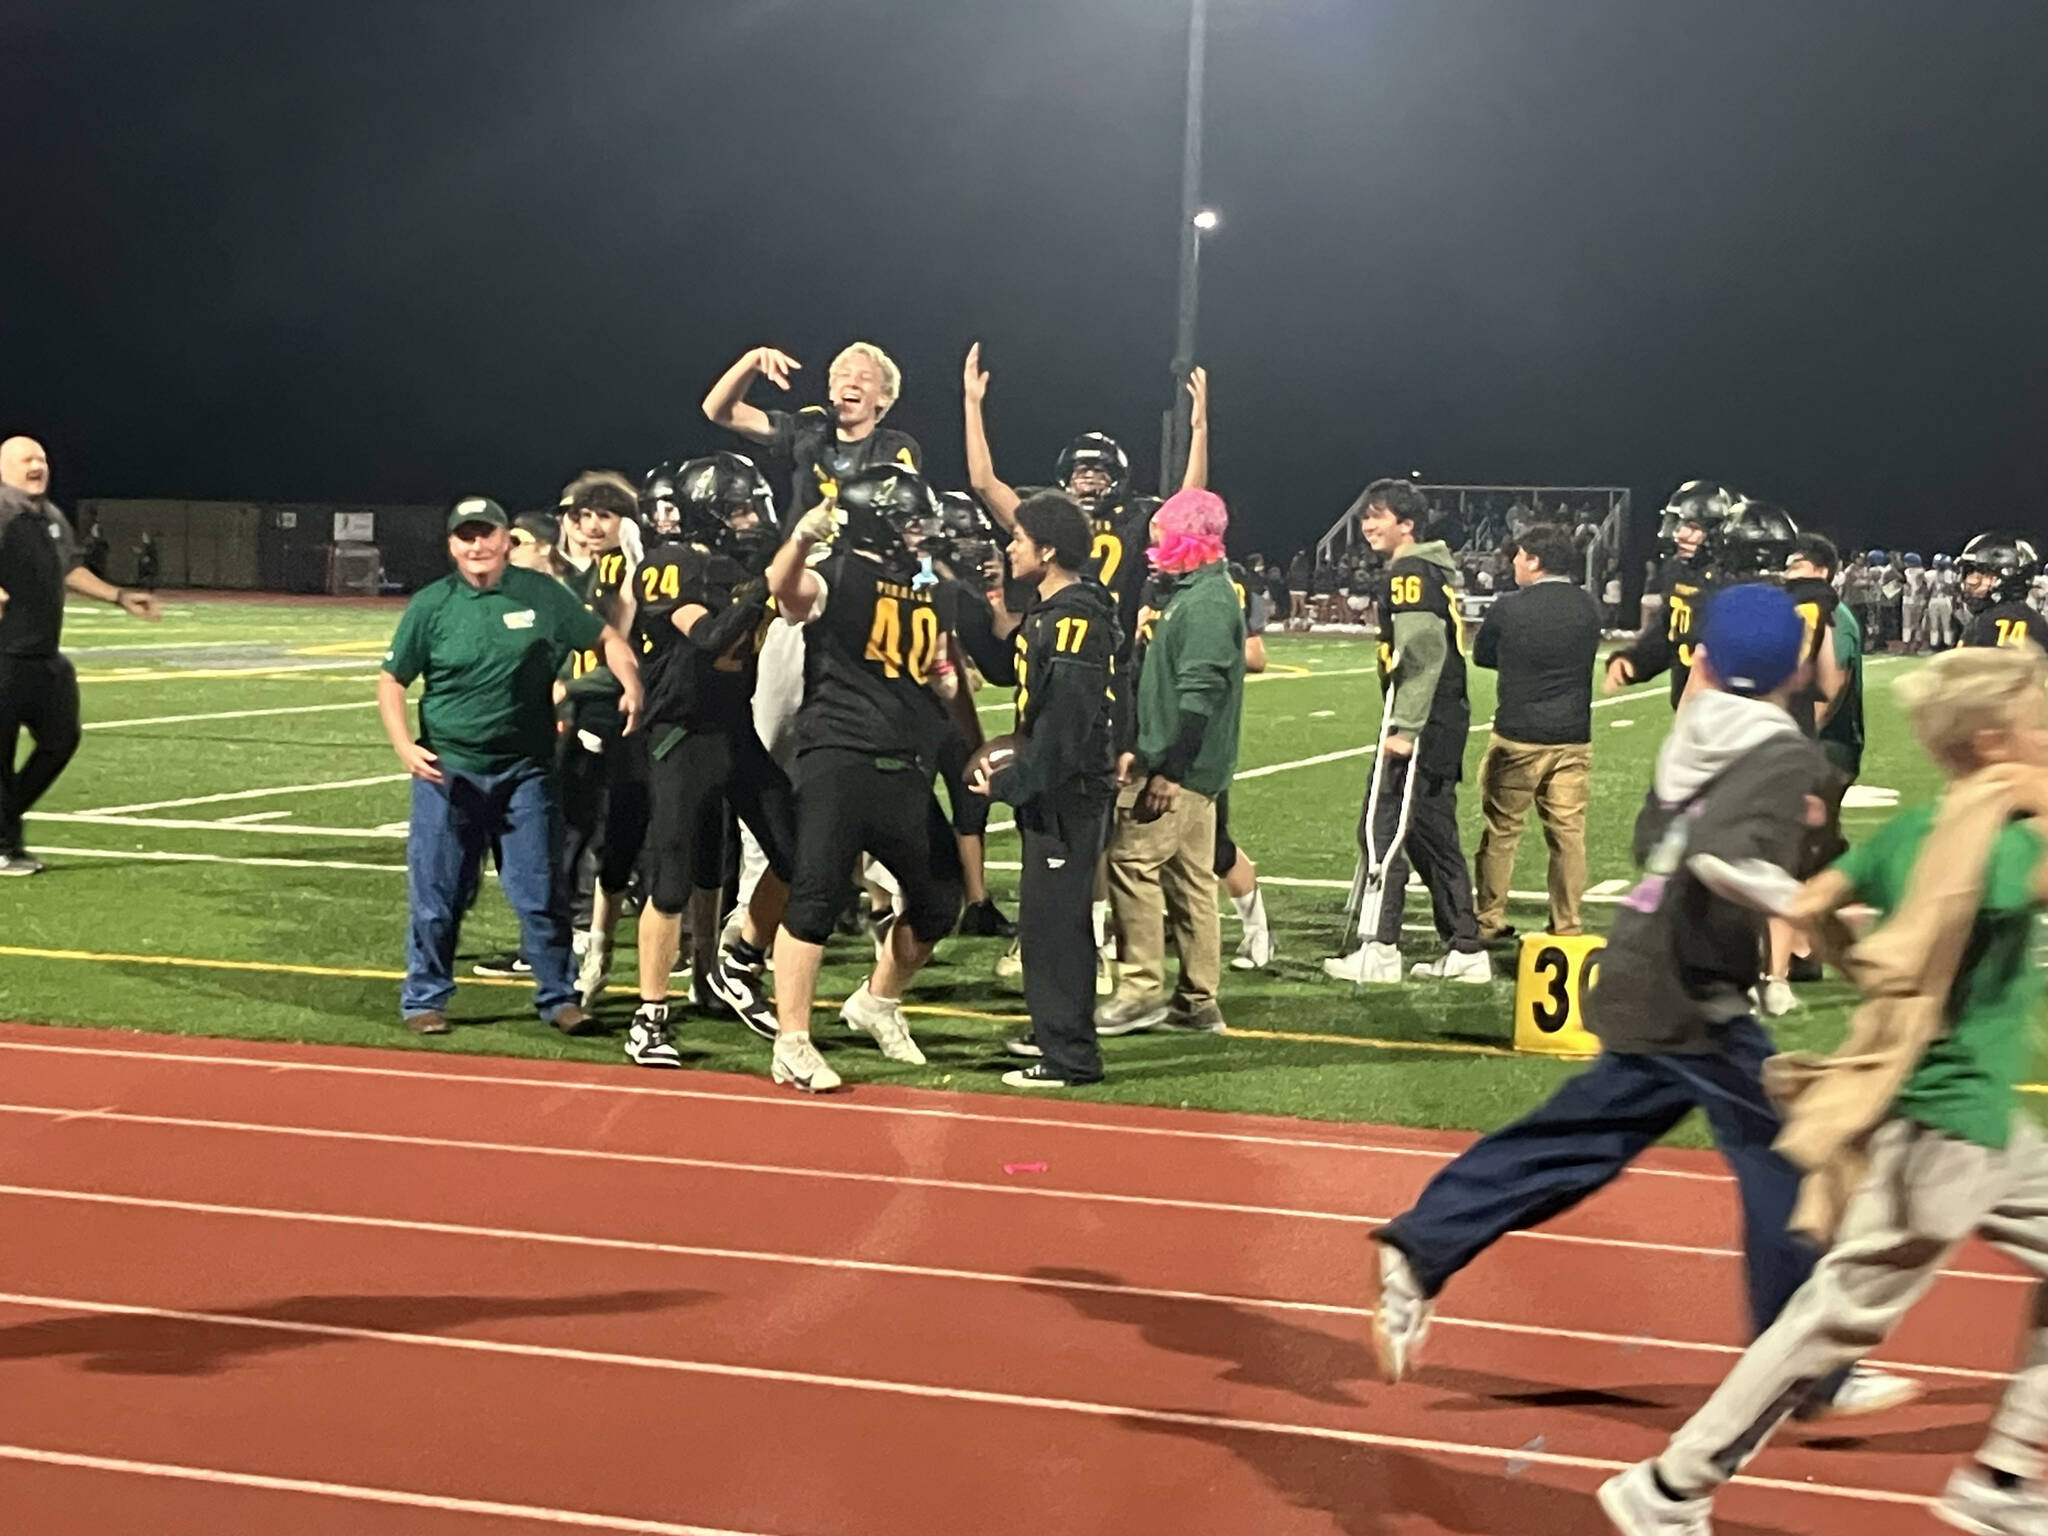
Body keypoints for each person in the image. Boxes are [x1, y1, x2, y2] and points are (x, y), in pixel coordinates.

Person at [1371, 585, 1917, 1418]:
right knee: (1784, 1152)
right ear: (1795, 661)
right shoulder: (1779, 748)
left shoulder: (1699, 724)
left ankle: (1421, 1246)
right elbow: (1719, 858)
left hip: (1646, 961)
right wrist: (1814, 908)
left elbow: (1662, 837)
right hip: (1690, 986)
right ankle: (1809, 1367)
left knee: (1581, 1139)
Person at [1599, 643, 2048, 1536]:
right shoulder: (1999, 848)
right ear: (1995, 742)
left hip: (1982, 1124)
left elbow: (1814, 902)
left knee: (1830, 1317)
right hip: (1948, 1127)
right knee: (1831, 1321)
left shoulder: (1919, 831)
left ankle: (2004, 1476)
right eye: (2041, 722)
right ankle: (1671, 1485)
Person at [377, 496, 643, 1037]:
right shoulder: (432, 604)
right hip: (448, 771)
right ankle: (425, 998)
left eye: (487, 534)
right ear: (452, 546)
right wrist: (404, 745)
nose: (477, 545)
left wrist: (631, 682)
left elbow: (605, 638)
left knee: (540, 893)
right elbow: (392, 679)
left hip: (526, 770)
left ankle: (559, 998)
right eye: (466, 536)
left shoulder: (541, 593)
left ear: (505, 540)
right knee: (438, 896)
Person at [762, 465, 968, 1091]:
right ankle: (792, 1042)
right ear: (879, 523)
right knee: (816, 897)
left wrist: (942, 678)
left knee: (940, 898)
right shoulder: (840, 571)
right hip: (840, 754)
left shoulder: (930, 585)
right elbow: (786, 595)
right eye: (911, 522)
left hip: (905, 760)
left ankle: (877, 1000)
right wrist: (800, 540)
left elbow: (934, 658)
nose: (922, 533)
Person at [624, 454, 795, 1066]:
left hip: (734, 729)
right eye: (742, 508)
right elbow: (708, 638)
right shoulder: (669, 563)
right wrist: (763, 586)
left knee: (799, 851)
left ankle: (741, 960)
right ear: (710, 514)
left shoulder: (740, 564)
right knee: (670, 883)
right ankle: (649, 1017)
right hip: (681, 734)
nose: (754, 519)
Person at [971, 491, 1120, 1087]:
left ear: (1049, 549)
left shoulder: (1073, 618)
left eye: (1019, 539)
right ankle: (1057, 1030)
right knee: (1048, 922)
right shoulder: (1055, 610)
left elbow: (1066, 723)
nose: (1010, 548)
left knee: (1054, 927)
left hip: (1067, 792)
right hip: (1062, 786)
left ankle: (1069, 1056)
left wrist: (1015, 781)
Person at [1323, 479, 1487, 984]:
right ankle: (1465, 948)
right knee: (1430, 835)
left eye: (1379, 516)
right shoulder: (1426, 568)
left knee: (1383, 829)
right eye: (1366, 516)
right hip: (1444, 716)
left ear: (1407, 524)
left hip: (1424, 719)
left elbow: (1422, 652)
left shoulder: (1411, 572)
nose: (1368, 526)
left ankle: (1380, 947)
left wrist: (1407, 727)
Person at [1097, 489, 1246, 1035]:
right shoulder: (1194, 593)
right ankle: (1198, 1001)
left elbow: (1199, 694)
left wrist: (1168, 771)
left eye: (1161, 533)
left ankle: (1140, 989)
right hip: (1189, 766)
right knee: (1190, 882)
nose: (1152, 544)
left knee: (1132, 862)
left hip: (1183, 769)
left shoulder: (1205, 602)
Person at [961, 344, 1208, 652]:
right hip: (1054, 638)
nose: (1089, 477)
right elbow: (984, 483)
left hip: (1113, 643)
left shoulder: (1135, 514)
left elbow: (1188, 507)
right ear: (1066, 475)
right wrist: (972, 404)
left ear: (1117, 476)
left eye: (1099, 471)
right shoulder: (1052, 514)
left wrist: (1200, 429)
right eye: (1081, 470)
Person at [0, 436, 163, 876]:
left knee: (61, 739)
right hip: (3, 655)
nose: (37, 465)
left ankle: (4, 823)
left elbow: (69, 568)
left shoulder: (51, 517)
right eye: (26, 459)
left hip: (43, 655)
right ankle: (4, 845)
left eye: (42, 458)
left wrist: (119, 596)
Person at [1468, 522, 1601, 941]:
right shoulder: (1587, 606)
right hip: (1573, 736)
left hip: (1517, 735)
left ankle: (1489, 918)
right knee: (1568, 835)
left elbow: (1482, 655)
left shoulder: (1509, 607)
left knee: (1502, 831)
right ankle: (1567, 923)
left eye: (1519, 555)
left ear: (1535, 560)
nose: (1514, 562)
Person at [702, 342, 920, 516]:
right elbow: (719, 411)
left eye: (865, 378)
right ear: (832, 391)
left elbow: (901, 511)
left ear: (884, 396)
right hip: (798, 555)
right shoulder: (808, 428)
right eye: (844, 375)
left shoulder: (893, 446)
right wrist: (750, 362)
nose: (852, 383)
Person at [1607, 481, 1729, 707]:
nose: (1680, 534)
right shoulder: (1679, 570)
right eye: (1679, 525)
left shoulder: (1735, 581)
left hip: (1731, 708)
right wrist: (1637, 659)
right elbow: (1670, 628)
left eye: (1693, 527)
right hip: (1689, 707)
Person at [1959, 533, 2048, 651]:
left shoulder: (1981, 625)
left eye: (1977, 578)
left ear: (1999, 580)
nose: (1969, 585)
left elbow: (1960, 662)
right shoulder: (2039, 624)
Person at [1928, 552, 1962, 650]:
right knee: (1944, 624)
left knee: (1937, 625)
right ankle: (1945, 644)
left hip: (1937, 599)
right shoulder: (1951, 574)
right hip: (1944, 600)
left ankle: (1936, 644)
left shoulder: (1931, 574)